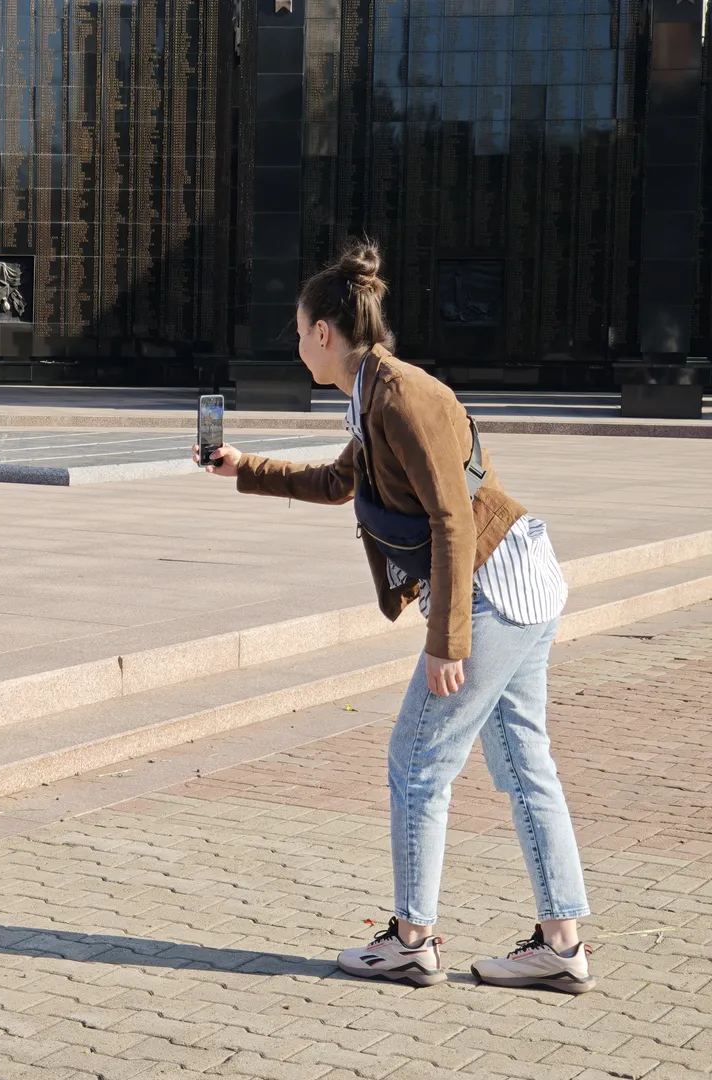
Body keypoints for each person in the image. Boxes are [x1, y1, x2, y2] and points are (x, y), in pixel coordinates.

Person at [202, 241, 594, 994]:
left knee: (417, 762)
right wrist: (243, 466)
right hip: (517, 581)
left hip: (491, 588)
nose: (295, 343)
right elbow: (339, 481)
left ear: (324, 332)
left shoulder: (403, 397)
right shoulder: (373, 394)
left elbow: (451, 519)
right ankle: (561, 947)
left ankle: (413, 940)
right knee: (524, 766)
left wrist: (448, 642)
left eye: (298, 331)